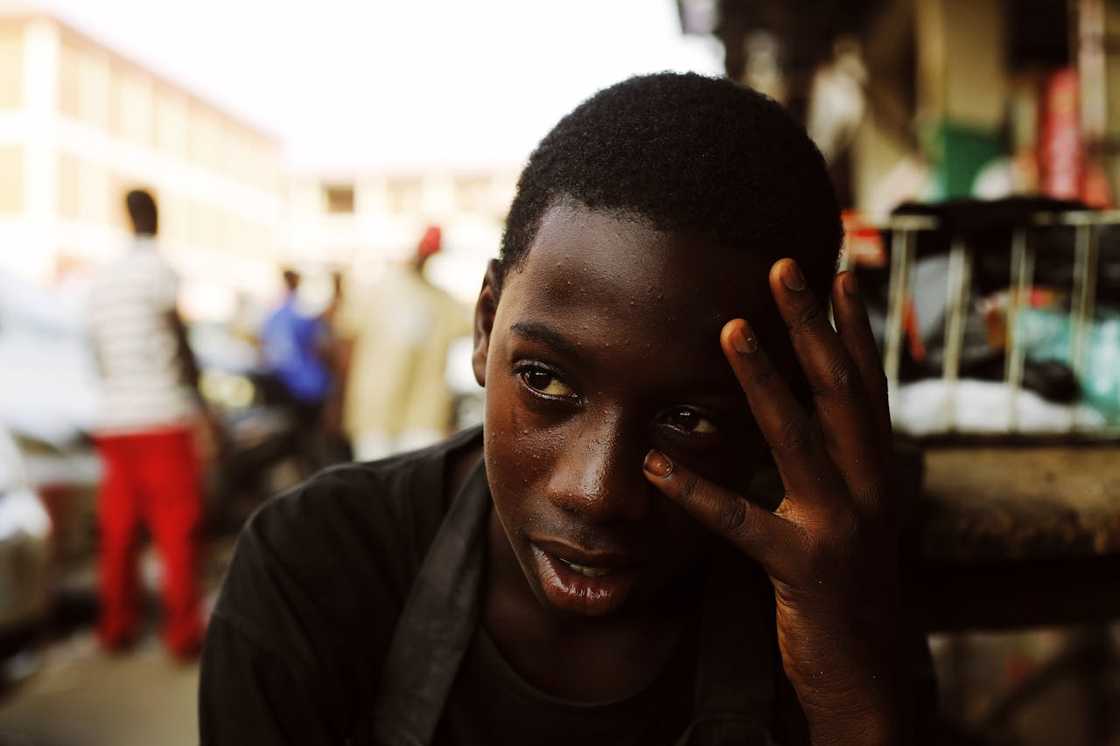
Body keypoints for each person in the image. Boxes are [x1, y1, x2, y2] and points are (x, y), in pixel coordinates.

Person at [200, 74, 934, 744]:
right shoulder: (315, 572)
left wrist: (850, 694)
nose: (594, 491)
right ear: (486, 323)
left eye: (689, 421)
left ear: (785, 415)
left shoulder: (827, 610)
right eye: (547, 382)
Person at [88, 189, 208, 659]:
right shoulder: (159, 267)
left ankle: (115, 626)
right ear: (155, 218)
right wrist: (197, 396)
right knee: (176, 528)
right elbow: (178, 336)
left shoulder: (103, 278)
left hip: (114, 420)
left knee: (117, 530)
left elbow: (95, 349)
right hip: (162, 416)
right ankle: (182, 634)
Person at [335, 226, 471, 460]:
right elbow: (347, 344)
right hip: (375, 414)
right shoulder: (377, 289)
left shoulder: (443, 301)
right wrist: (338, 400)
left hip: (422, 418)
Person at [260, 268, 335, 468]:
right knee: (312, 438)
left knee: (301, 437)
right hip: (308, 385)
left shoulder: (276, 315)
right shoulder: (302, 313)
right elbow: (322, 346)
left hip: (291, 384)